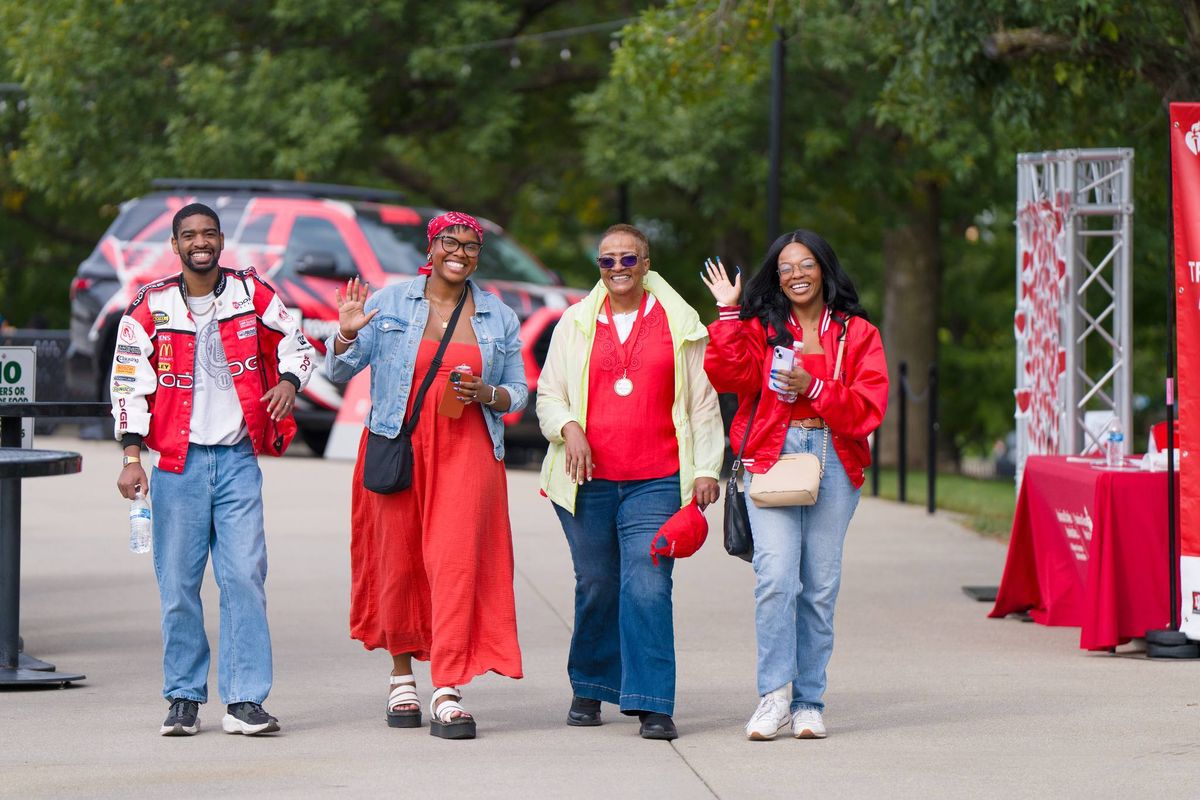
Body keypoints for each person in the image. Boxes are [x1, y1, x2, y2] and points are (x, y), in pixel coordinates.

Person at [111, 202, 315, 736]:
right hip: (176, 464)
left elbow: (299, 345)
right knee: (178, 585)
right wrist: (133, 457)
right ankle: (183, 697)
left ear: (221, 241)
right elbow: (129, 384)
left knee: (245, 577)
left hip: (237, 461)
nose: (199, 242)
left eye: (208, 234)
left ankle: (245, 700)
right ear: (175, 246)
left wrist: (290, 384)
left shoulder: (252, 293)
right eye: (189, 236)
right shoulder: (148, 306)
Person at [325, 211, 527, 740]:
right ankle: (400, 679)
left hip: (468, 451)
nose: (460, 253)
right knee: (398, 560)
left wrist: (489, 395)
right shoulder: (390, 302)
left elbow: (518, 390)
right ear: (431, 246)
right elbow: (339, 371)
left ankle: (447, 687)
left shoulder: (497, 315)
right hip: (399, 446)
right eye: (449, 242)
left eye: (471, 246)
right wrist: (345, 336)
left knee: (455, 562)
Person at [537, 223, 724, 741]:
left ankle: (652, 702)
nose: (617, 269)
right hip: (586, 481)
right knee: (596, 585)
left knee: (646, 583)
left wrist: (707, 467)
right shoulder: (575, 322)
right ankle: (591, 684)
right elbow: (548, 396)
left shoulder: (679, 323)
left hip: (658, 480)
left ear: (646, 264)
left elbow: (703, 404)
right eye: (607, 261)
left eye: (627, 259)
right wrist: (569, 427)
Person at [701, 229, 887, 741]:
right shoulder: (763, 328)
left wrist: (817, 387)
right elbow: (727, 375)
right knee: (776, 577)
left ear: (824, 270)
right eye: (785, 267)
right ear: (777, 278)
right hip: (771, 456)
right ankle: (773, 697)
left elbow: (868, 410)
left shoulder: (856, 333)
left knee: (820, 588)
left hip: (833, 459)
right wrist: (728, 312)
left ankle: (808, 702)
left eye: (805, 265)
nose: (795, 274)